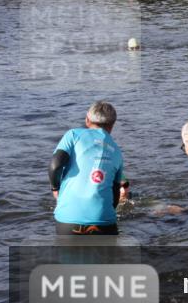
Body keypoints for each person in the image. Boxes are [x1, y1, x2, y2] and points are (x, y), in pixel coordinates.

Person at [50, 101, 129, 235]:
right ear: (112, 126)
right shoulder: (116, 150)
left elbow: (55, 165)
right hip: (104, 222)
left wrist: (55, 188)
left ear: (87, 120)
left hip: (68, 221)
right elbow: (116, 193)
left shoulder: (73, 135)